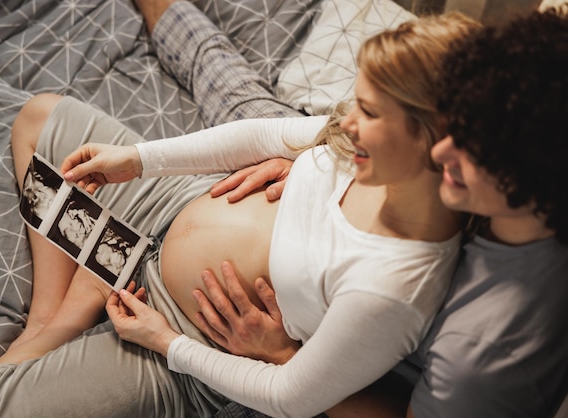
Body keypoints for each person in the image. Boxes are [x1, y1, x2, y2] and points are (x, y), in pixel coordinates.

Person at [0, 3, 476, 418]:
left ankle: (91, 286)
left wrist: (164, 341)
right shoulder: (365, 150)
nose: (349, 122)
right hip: (170, 202)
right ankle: (51, 317)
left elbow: (290, 396)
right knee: (39, 118)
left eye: (369, 111)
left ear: (431, 140)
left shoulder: (394, 289)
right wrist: (136, 162)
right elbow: (263, 134)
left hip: (184, 328)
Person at [197, 6, 568, 418]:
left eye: (473, 152)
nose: (442, 152)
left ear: (532, 178)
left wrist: (283, 356)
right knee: (253, 110)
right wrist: (333, 158)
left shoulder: (481, 352)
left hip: (310, 385)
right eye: (456, 130)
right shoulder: (513, 205)